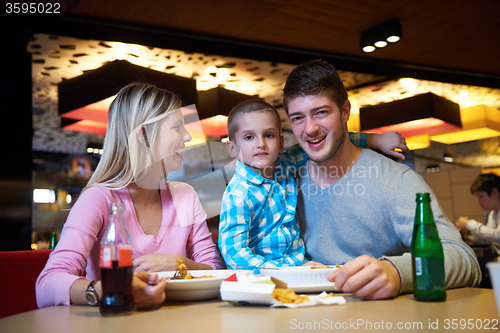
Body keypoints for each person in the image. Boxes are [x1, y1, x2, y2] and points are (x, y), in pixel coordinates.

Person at [282, 59, 481, 300]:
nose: (310, 129)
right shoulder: (284, 183)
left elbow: (465, 260)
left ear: (345, 111)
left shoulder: (396, 181)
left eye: (321, 112)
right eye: (297, 118)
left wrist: (397, 272)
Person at [36, 83, 222, 309]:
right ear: (143, 134)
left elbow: (214, 268)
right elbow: (47, 285)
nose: (187, 137)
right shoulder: (99, 199)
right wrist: (108, 289)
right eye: (177, 127)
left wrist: (182, 264)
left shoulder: (185, 195)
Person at [218, 99, 409, 269]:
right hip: (260, 277)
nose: (261, 144)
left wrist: (375, 139)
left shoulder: (285, 163)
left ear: (281, 142)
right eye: (249, 137)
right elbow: (234, 255)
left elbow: (332, 141)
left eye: (268, 135)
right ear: (232, 148)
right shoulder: (239, 194)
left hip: (300, 267)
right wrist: (287, 271)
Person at [456, 173, 500, 256]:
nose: (478, 201)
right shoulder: (492, 214)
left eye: (480, 196)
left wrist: (469, 223)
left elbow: (498, 235)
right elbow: (488, 239)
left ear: (494, 193)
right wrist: (469, 231)